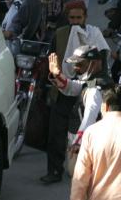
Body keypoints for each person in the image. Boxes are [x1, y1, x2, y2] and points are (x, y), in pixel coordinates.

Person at [45, 43, 106, 184]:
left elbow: (90, 117)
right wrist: (56, 74)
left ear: (94, 63)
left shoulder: (95, 89)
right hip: (89, 140)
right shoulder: (90, 83)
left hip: (94, 143)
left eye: (80, 64)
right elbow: (72, 87)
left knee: (78, 175)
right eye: (75, 64)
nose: (76, 68)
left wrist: (79, 142)